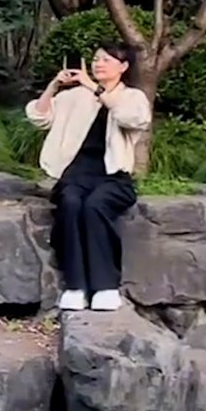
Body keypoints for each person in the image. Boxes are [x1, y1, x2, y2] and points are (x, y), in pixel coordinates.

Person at [25, 44, 152, 312]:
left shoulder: (132, 97)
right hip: (76, 175)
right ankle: (76, 286)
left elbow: (132, 119)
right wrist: (54, 86)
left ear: (123, 67)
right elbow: (39, 117)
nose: (99, 64)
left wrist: (94, 88)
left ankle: (105, 286)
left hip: (113, 177)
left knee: (95, 206)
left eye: (107, 60)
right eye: (96, 59)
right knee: (70, 204)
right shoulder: (76, 97)